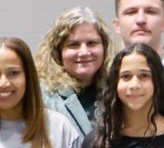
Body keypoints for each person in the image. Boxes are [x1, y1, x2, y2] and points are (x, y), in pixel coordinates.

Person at [112, 0, 164, 122]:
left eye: (151, 11)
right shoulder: (104, 77)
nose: (140, 20)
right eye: (131, 12)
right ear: (117, 25)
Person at [35, 7, 114, 136]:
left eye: (92, 43)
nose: (84, 52)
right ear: (58, 51)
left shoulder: (117, 89)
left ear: (104, 48)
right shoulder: (42, 96)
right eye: (73, 44)